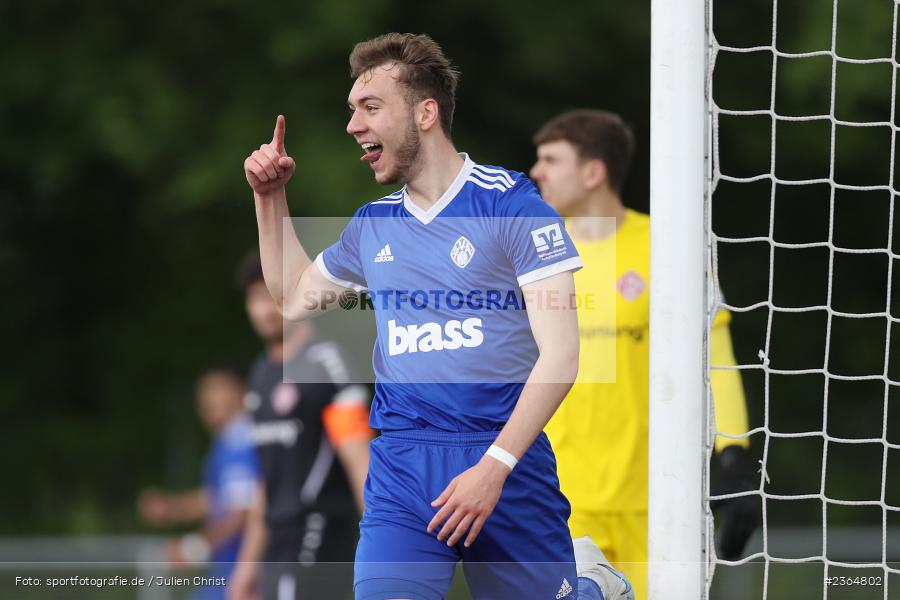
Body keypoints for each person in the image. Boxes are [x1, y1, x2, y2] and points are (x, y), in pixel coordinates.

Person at [242, 32, 633, 600]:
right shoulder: (373, 224)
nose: (353, 124)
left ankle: (592, 586)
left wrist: (493, 468)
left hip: (505, 465)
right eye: (351, 110)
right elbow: (294, 297)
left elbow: (563, 356)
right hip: (403, 467)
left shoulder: (512, 205)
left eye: (370, 107)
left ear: (426, 113)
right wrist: (270, 198)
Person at [531, 109, 761, 599]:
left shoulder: (670, 247)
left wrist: (736, 456)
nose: (536, 172)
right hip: (560, 496)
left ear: (594, 172)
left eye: (551, 159)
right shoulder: (533, 255)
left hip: (656, 498)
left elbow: (715, 358)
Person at [227, 254, 373, 600]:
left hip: (320, 528)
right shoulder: (260, 375)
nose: (263, 309)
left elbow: (359, 459)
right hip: (278, 537)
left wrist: (382, 542)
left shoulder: (326, 363)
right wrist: (246, 565)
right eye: (254, 298)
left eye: (272, 297)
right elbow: (266, 477)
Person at [138, 366, 261, 600]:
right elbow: (220, 498)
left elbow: (243, 509)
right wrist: (173, 508)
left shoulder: (240, 439)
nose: (206, 398)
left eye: (216, 389)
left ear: (241, 392)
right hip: (229, 572)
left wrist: (192, 548)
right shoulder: (228, 440)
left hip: (243, 573)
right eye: (203, 392)